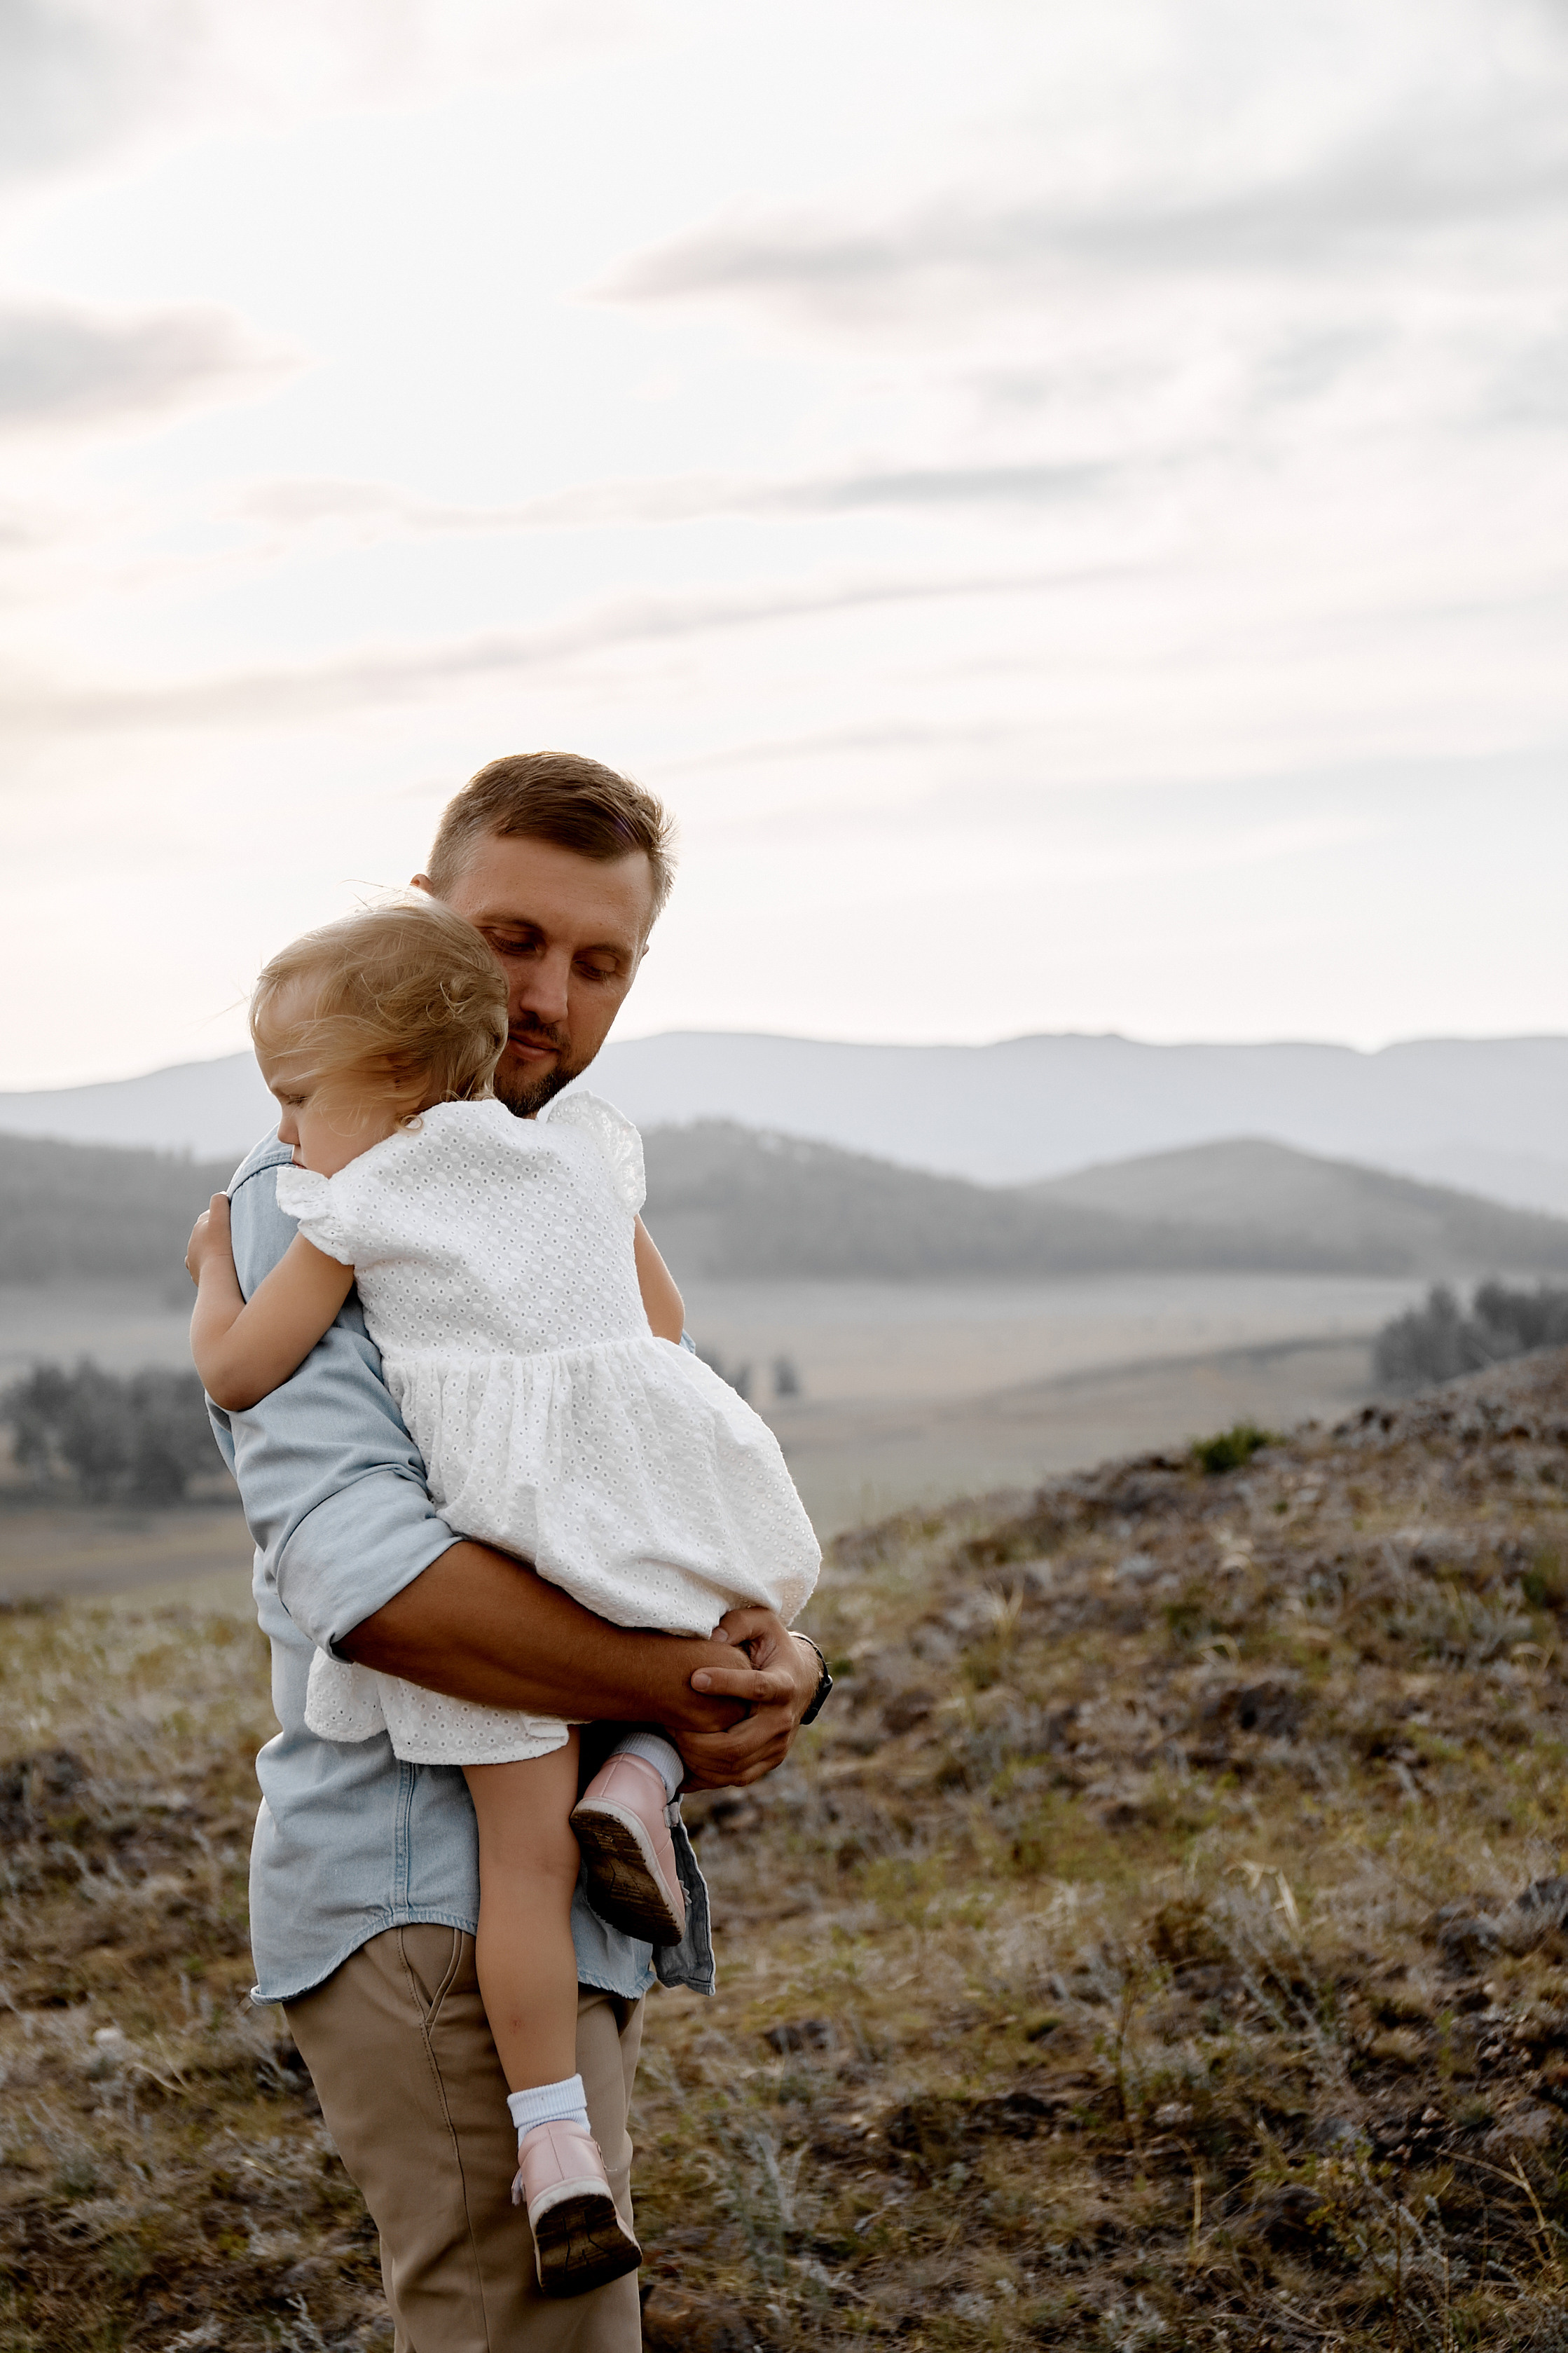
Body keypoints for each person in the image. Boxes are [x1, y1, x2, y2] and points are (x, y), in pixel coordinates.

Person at [202, 753, 831, 2352]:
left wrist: (775, 1659)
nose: (546, 995)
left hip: (547, 1881)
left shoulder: (544, 1188)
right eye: (510, 937)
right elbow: (380, 1586)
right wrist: (684, 1687)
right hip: (427, 1886)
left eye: (599, 959)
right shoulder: (312, 1196)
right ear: (417, 924)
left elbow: (649, 1475)